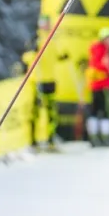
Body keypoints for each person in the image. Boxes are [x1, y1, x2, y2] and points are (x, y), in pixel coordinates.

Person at [22, 14, 68, 150]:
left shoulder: (53, 38)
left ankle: (50, 138)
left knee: (51, 112)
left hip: (50, 80)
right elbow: (25, 57)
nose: (45, 26)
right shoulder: (35, 38)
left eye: (47, 23)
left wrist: (64, 56)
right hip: (37, 80)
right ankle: (33, 141)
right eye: (43, 23)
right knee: (35, 112)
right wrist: (34, 53)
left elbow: (57, 55)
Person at [85, 27, 109, 147]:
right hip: (102, 84)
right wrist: (108, 64)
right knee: (103, 111)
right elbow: (99, 64)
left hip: (98, 84)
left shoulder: (101, 48)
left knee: (98, 111)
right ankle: (102, 137)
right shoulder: (101, 49)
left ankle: (98, 136)